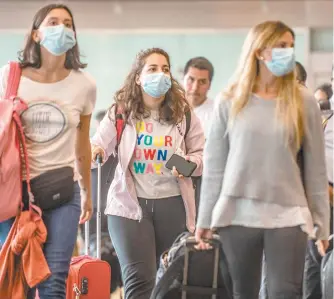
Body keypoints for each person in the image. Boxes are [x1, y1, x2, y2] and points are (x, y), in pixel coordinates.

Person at [195, 20, 330, 299]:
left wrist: (322, 223)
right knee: (243, 293)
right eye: (280, 46)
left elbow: (316, 168)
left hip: (289, 213)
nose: (288, 52)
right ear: (258, 51)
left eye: (291, 46)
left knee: (285, 292)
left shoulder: (303, 100)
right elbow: (215, 168)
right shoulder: (229, 99)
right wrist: (205, 218)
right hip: (237, 213)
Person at [91, 47, 205, 299]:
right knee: (139, 279)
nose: (160, 74)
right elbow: (99, 144)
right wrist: (96, 149)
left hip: (173, 205)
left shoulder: (183, 112)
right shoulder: (120, 113)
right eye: (152, 69)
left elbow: (202, 155)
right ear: (138, 78)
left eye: (165, 69)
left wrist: (186, 164)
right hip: (129, 207)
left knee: (169, 281)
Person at [0, 4, 96, 299]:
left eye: (68, 23)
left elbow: (82, 142)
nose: (62, 28)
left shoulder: (84, 85)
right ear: (36, 35)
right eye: (53, 22)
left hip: (62, 194)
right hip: (15, 196)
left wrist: (87, 190)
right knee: (19, 283)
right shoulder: (11, 76)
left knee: (53, 281)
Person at [183, 57, 215, 137]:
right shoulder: (168, 109)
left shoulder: (217, 114)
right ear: (183, 79)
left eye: (202, 82)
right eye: (191, 79)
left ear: (209, 85)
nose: (195, 87)